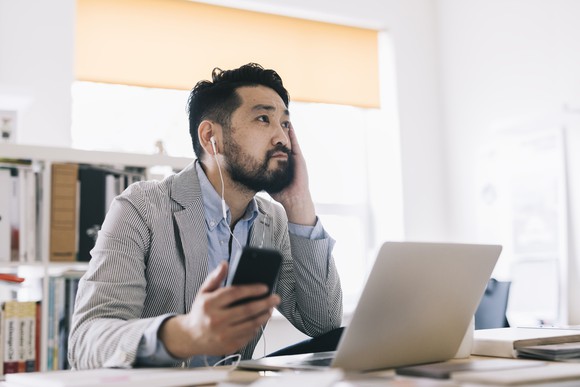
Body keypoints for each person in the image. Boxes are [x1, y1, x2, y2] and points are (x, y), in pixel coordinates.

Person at [68, 63, 343, 369]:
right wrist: (186, 334)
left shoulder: (274, 220)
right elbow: (86, 342)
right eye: (264, 119)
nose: (282, 138)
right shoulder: (142, 207)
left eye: (286, 124)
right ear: (211, 136)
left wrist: (298, 202)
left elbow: (324, 324)